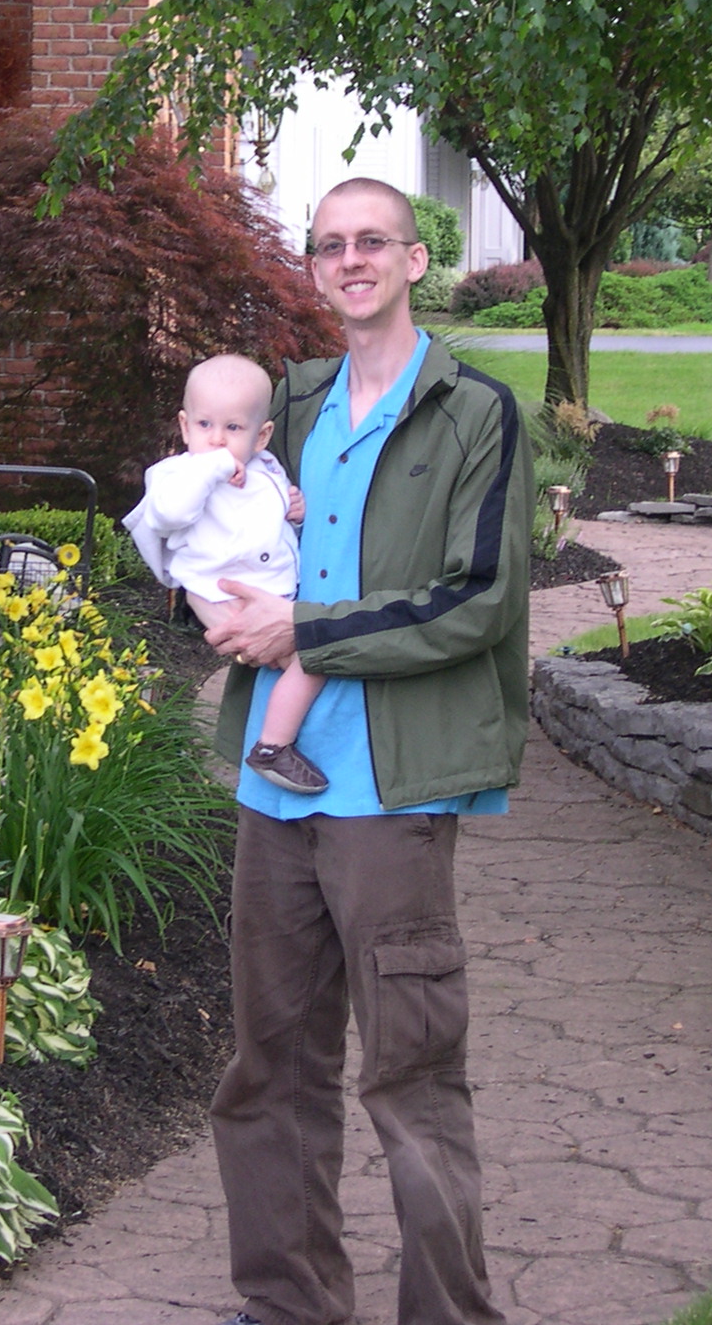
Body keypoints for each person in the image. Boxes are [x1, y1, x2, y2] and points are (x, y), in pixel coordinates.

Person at [200, 177, 531, 1325]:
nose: (351, 259)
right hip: (271, 790)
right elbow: (215, 519)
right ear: (312, 267)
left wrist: (308, 632)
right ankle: (287, 1307)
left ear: (414, 256)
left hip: (388, 788)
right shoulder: (285, 406)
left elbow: (475, 602)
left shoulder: (473, 412)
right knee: (269, 1069)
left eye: (371, 241)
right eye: (330, 244)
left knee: (410, 1075)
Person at [122, 354, 330, 793]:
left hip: (269, 592)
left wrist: (295, 514)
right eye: (204, 425)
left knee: (304, 655)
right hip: (218, 592)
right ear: (184, 426)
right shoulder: (178, 474)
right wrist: (215, 465)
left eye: (233, 428)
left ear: (262, 436)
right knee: (315, 656)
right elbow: (168, 513)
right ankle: (273, 747)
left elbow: (268, 528)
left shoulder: (266, 469)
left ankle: (282, 739)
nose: (216, 439)